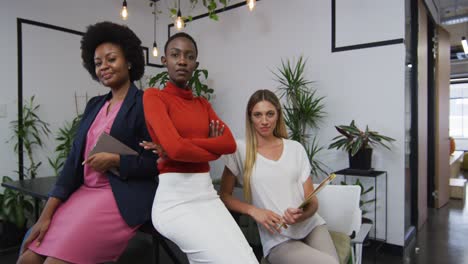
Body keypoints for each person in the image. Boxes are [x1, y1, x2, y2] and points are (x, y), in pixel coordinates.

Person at [17, 21, 158, 264]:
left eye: (111, 59)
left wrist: (116, 160)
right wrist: (45, 216)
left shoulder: (146, 104)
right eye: (98, 63)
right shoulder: (94, 105)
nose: (104, 66)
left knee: (54, 262)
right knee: (28, 257)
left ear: (130, 61)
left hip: (119, 197)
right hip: (84, 194)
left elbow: (155, 163)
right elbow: (73, 163)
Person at [142, 32, 258, 264]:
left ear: (196, 63)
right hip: (174, 202)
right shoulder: (154, 97)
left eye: (189, 56)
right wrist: (208, 148)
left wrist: (180, 145)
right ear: (164, 60)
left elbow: (229, 144)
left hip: (206, 196)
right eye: (175, 55)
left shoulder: (202, 104)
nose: (182, 60)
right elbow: (176, 150)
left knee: (248, 259)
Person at [220, 89, 339, 264]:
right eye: (258, 115)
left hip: (311, 225)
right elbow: (224, 196)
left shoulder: (295, 148)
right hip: (278, 238)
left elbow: (312, 202)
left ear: (278, 115)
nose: (264, 121)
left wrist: (301, 215)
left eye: (270, 114)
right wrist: (254, 211)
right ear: (250, 118)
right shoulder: (239, 150)